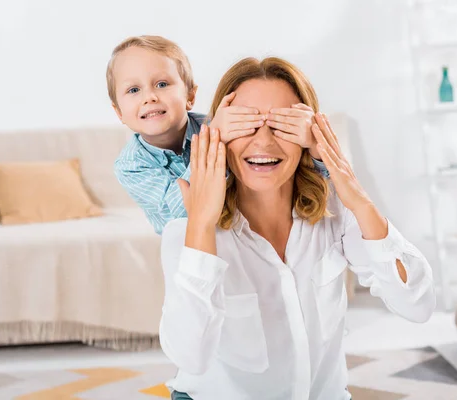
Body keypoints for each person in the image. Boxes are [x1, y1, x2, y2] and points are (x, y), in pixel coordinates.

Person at [159, 57, 436, 400]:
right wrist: (201, 226)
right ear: (220, 137)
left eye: (282, 124)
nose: (262, 142)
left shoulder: (336, 213)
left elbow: (418, 305)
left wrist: (358, 197)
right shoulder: (185, 231)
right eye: (245, 124)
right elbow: (190, 357)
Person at [107, 35, 328, 234]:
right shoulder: (131, 165)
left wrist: (314, 144)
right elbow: (182, 214)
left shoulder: (216, 124)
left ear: (190, 96)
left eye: (162, 84)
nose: (150, 97)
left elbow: (323, 178)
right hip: (188, 242)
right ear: (119, 113)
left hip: (240, 231)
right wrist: (213, 140)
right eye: (134, 90)